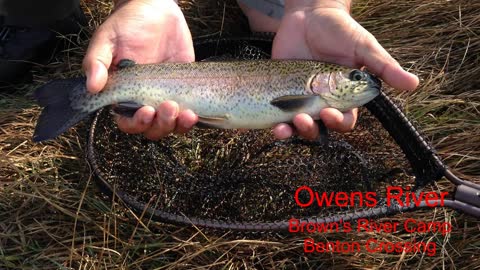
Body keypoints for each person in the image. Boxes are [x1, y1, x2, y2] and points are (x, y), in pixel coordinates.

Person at [3, 0, 419, 141]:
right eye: (354, 79)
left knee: (277, 22)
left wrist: (315, 6)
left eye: (356, 80)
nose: (360, 82)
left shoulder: (312, 91)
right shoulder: (312, 92)